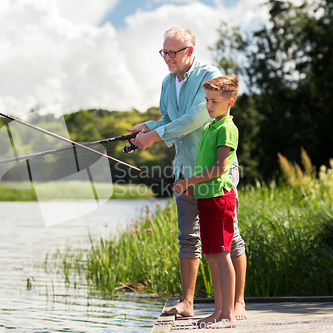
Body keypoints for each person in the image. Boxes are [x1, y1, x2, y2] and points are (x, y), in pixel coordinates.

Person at [127, 27, 247, 320]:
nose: (167, 58)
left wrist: (155, 136)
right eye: (164, 52)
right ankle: (187, 302)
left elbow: (195, 118)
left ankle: (237, 303)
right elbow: (170, 119)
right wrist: (148, 125)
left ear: (189, 51)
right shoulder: (168, 83)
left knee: (229, 238)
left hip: (215, 175)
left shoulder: (209, 75)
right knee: (188, 237)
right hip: (184, 172)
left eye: (172, 52)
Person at [174, 74, 240, 328]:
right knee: (212, 255)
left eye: (214, 101)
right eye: (207, 100)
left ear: (229, 102)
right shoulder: (210, 127)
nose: (209, 106)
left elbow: (220, 169)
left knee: (222, 255)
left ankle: (229, 315)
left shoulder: (226, 128)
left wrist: (189, 182)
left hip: (220, 199)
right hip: (206, 198)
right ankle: (218, 311)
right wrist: (194, 189)